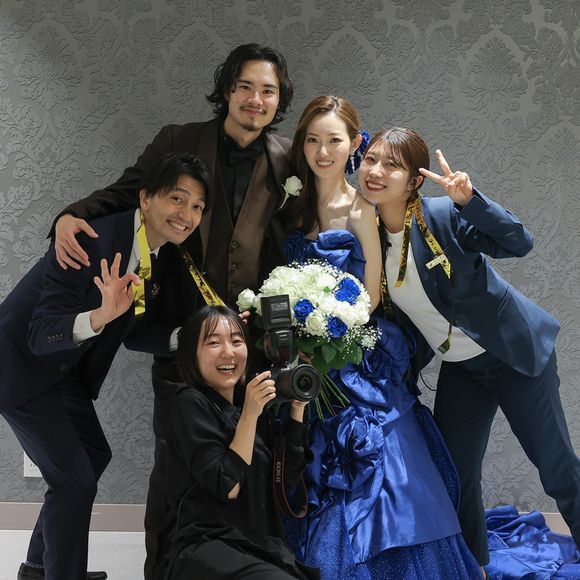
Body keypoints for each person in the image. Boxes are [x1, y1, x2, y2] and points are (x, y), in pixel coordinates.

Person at [49, 43, 295, 578]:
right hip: (182, 331)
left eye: (268, 91)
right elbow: (128, 192)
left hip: (249, 339)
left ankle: (250, 558)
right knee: (178, 457)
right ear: (227, 89)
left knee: (249, 451)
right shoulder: (179, 140)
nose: (255, 100)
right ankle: (165, 563)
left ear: (279, 101)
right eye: (245, 87)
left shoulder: (288, 159)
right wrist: (71, 214)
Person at [358, 127, 580, 575]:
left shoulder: (442, 215)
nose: (376, 171)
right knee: (455, 475)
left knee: (555, 465)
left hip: (512, 354)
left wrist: (470, 201)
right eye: (370, 160)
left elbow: (519, 242)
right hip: (461, 367)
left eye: (391, 165)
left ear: (414, 181)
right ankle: (472, 567)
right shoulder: (370, 235)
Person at [282, 96, 482, 578]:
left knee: (376, 464)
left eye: (334, 141)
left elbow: (370, 296)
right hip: (301, 352)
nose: (323, 152)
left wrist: (324, 328)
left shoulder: (360, 210)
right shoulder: (291, 205)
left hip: (348, 349)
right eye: (313, 140)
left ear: (353, 144)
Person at [0, 152, 211, 580]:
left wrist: (189, 338)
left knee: (94, 455)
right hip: (19, 368)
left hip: (61, 371)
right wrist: (99, 316)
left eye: (197, 206)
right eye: (177, 199)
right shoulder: (90, 241)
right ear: (146, 198)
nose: (187, 215)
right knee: (74, 480)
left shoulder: (160, 255)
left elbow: (135, 333)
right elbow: (40, 333)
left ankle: (38, 567)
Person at [158, 305, 319, 580]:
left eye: (236, 341)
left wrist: (297, 410)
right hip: (209, 545)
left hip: (258, 545)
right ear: (192, 353)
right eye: (214, 343)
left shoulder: (246, 405)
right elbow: (227, 487)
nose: (228, 353)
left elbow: (286, 483)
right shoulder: (190, 404)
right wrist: (250, 414)